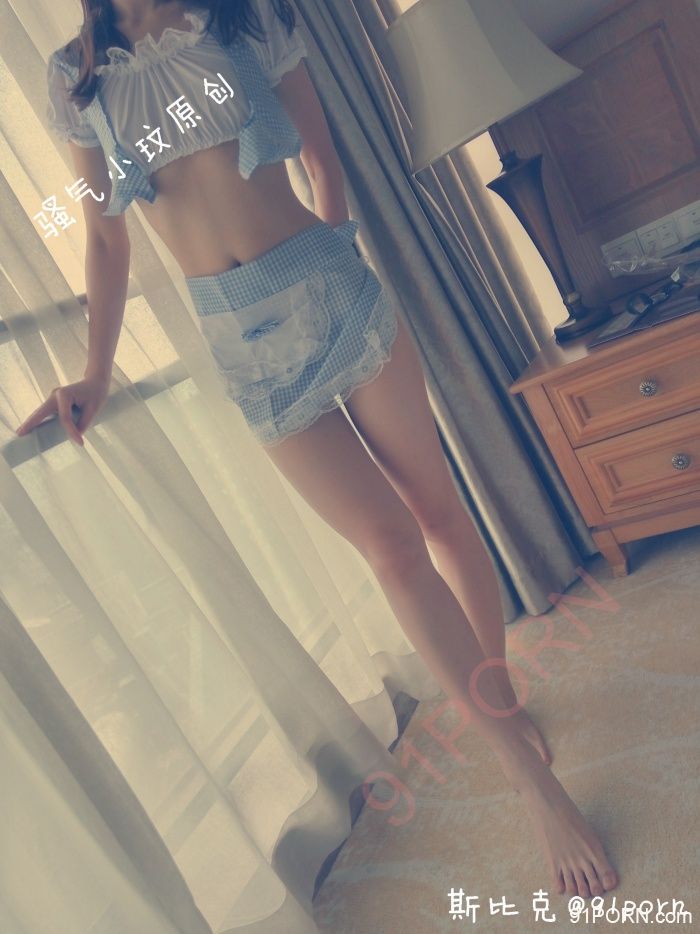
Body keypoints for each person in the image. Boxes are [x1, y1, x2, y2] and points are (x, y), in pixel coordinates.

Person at [16, 0, 618, 900]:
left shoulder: (242, 19)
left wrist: (334, 260)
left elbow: (320, 158)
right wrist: (94, 373)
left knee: (436, 513)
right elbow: (105, 236)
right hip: (242, 342)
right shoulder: (76, 76)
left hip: (330, 286)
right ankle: (522, 763)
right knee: (391, 548)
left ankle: (512, 732)